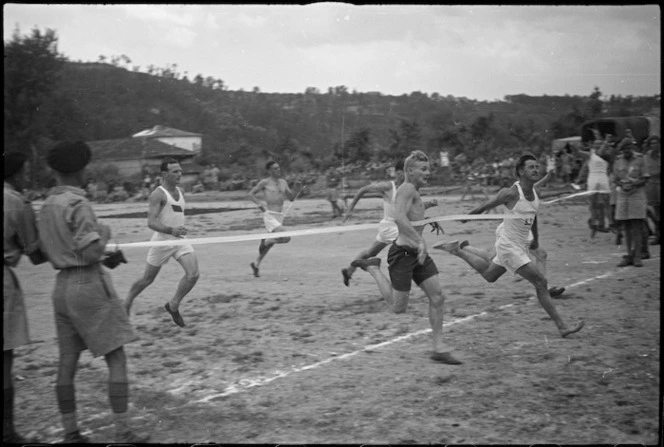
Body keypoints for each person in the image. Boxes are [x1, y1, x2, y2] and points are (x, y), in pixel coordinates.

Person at [37, 141, 149, 443]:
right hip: (86, 283)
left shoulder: (47, 205)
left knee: (67, 362)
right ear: (81, 169)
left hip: (61, 285)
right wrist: (105, 236)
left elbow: (48, 250)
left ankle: (71, 431)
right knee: (116, 358)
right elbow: (90, 250)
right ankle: (124, 430)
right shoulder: (78, 203)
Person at [433, 154, 585, 338]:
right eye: (531, 167)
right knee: (541, 282)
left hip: (520, 245)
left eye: (537, 167)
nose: (536, 170)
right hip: (509, 246)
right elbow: (487, 205)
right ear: (521, 171)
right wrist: (468, 216)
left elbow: (532, 215)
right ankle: (562, 326)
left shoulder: (535, 192)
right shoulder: (511, 193)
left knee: (490, 275)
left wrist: (535, 239)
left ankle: (457, 250)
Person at [350, 150, 462, 364]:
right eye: (423, 169)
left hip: (418, 255)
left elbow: (412, 215)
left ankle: (438, 348)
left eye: (429, 169)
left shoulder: (415, 191)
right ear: (409, 171)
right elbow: (399, 217)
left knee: (437, 297)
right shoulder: (407, 188)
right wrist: (419, 241)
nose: (428, 173)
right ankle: (373, 268)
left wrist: (428, 220)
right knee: (398, 307)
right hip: (402, 254)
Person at [123, 158, 200, 326]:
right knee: (147, 279)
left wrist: (178, 230)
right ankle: (127, 301)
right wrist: (171, 230)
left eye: (180, 170)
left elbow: (176, 214)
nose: (180, 174)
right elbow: (151, 222)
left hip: (180, 240)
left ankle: (173, 305)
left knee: (193, 274)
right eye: (175, 171)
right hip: (162, 242)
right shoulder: (157, 194)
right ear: (164, 174)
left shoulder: (181, 191)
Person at [4, 152, 47, 444]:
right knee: (4, 360)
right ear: (16, 174)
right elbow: (35, 253)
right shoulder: (16, 202)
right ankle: (7, 431)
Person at [341, 159, 439, 286]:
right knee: (412, 244)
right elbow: (363, 189)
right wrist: (350, 209)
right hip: (390, 226)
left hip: (397, 226)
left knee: (370, 252)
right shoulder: (388, 186)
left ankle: (348, 271)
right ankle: (420, 278)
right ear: (398, 172)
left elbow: (410, 211)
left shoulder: (409, 189)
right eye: (405, 172)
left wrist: (429, 205)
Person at [248, 160, 307, 277]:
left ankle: (256, 264)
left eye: (278, 168)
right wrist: (261, 206)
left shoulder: (283, 182)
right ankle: (266, 240)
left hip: (279, 216)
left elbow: (291, 198)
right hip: (269, 215)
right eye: (275, 168)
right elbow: (250, 194)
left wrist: (296, 188)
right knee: (286, 237)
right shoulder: (265, 182)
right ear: (269, 171)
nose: (278, 170)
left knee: (271, 244)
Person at [610, 138, 650, 267]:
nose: (626, 151)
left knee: (636, 226)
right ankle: (629, 255)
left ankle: (638, 256)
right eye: (624, 149)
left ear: (632, 148)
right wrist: (621, 184)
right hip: (623, 195)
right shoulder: (618, 160)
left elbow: (645, 177)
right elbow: (614, 178)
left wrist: (634, 184)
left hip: (637, 194)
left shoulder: (640, 159)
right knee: (626, 226)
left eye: (628, 148)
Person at [575, 135, 612, 237]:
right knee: (595, 204)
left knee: (604, 203)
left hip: (604, 180)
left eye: (599, 144)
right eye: (596, 144)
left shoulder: (606, 155)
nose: (597, 146)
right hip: (594, 180)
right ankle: (597, 223)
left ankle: (604, 223)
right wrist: (580, 179)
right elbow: (584, 168)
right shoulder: (590, 156)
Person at [644, 136, 660, 245]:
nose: (654, 145)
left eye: (656, 143)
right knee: (655, 210)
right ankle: (657, 233)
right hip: (651, 186)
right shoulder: (646, 157)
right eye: (652, 143)